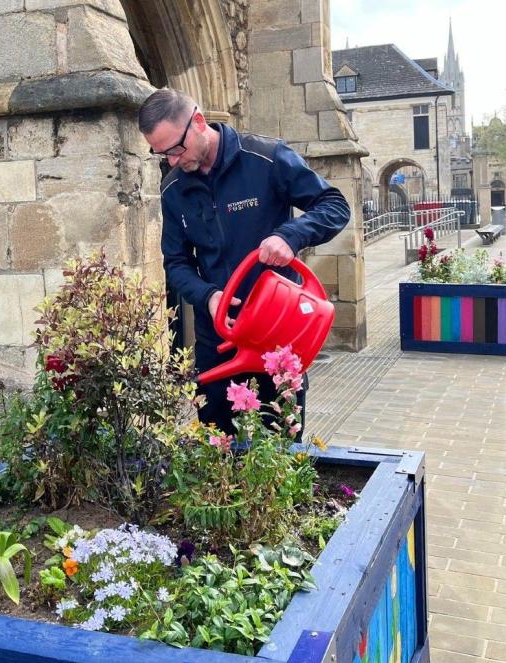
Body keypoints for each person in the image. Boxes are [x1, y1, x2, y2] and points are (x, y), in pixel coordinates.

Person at [137, 88, 350, 437]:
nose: (172, 161)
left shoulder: (266, 157)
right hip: (217, 336)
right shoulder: (173, 189)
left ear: (199, 122)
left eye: (175, 149)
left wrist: (291, 236)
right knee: (216, 448)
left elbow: (334, 205)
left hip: (277, 330)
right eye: (161, 154)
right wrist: (208, 296)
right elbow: (175, 263)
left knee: (281, 443)